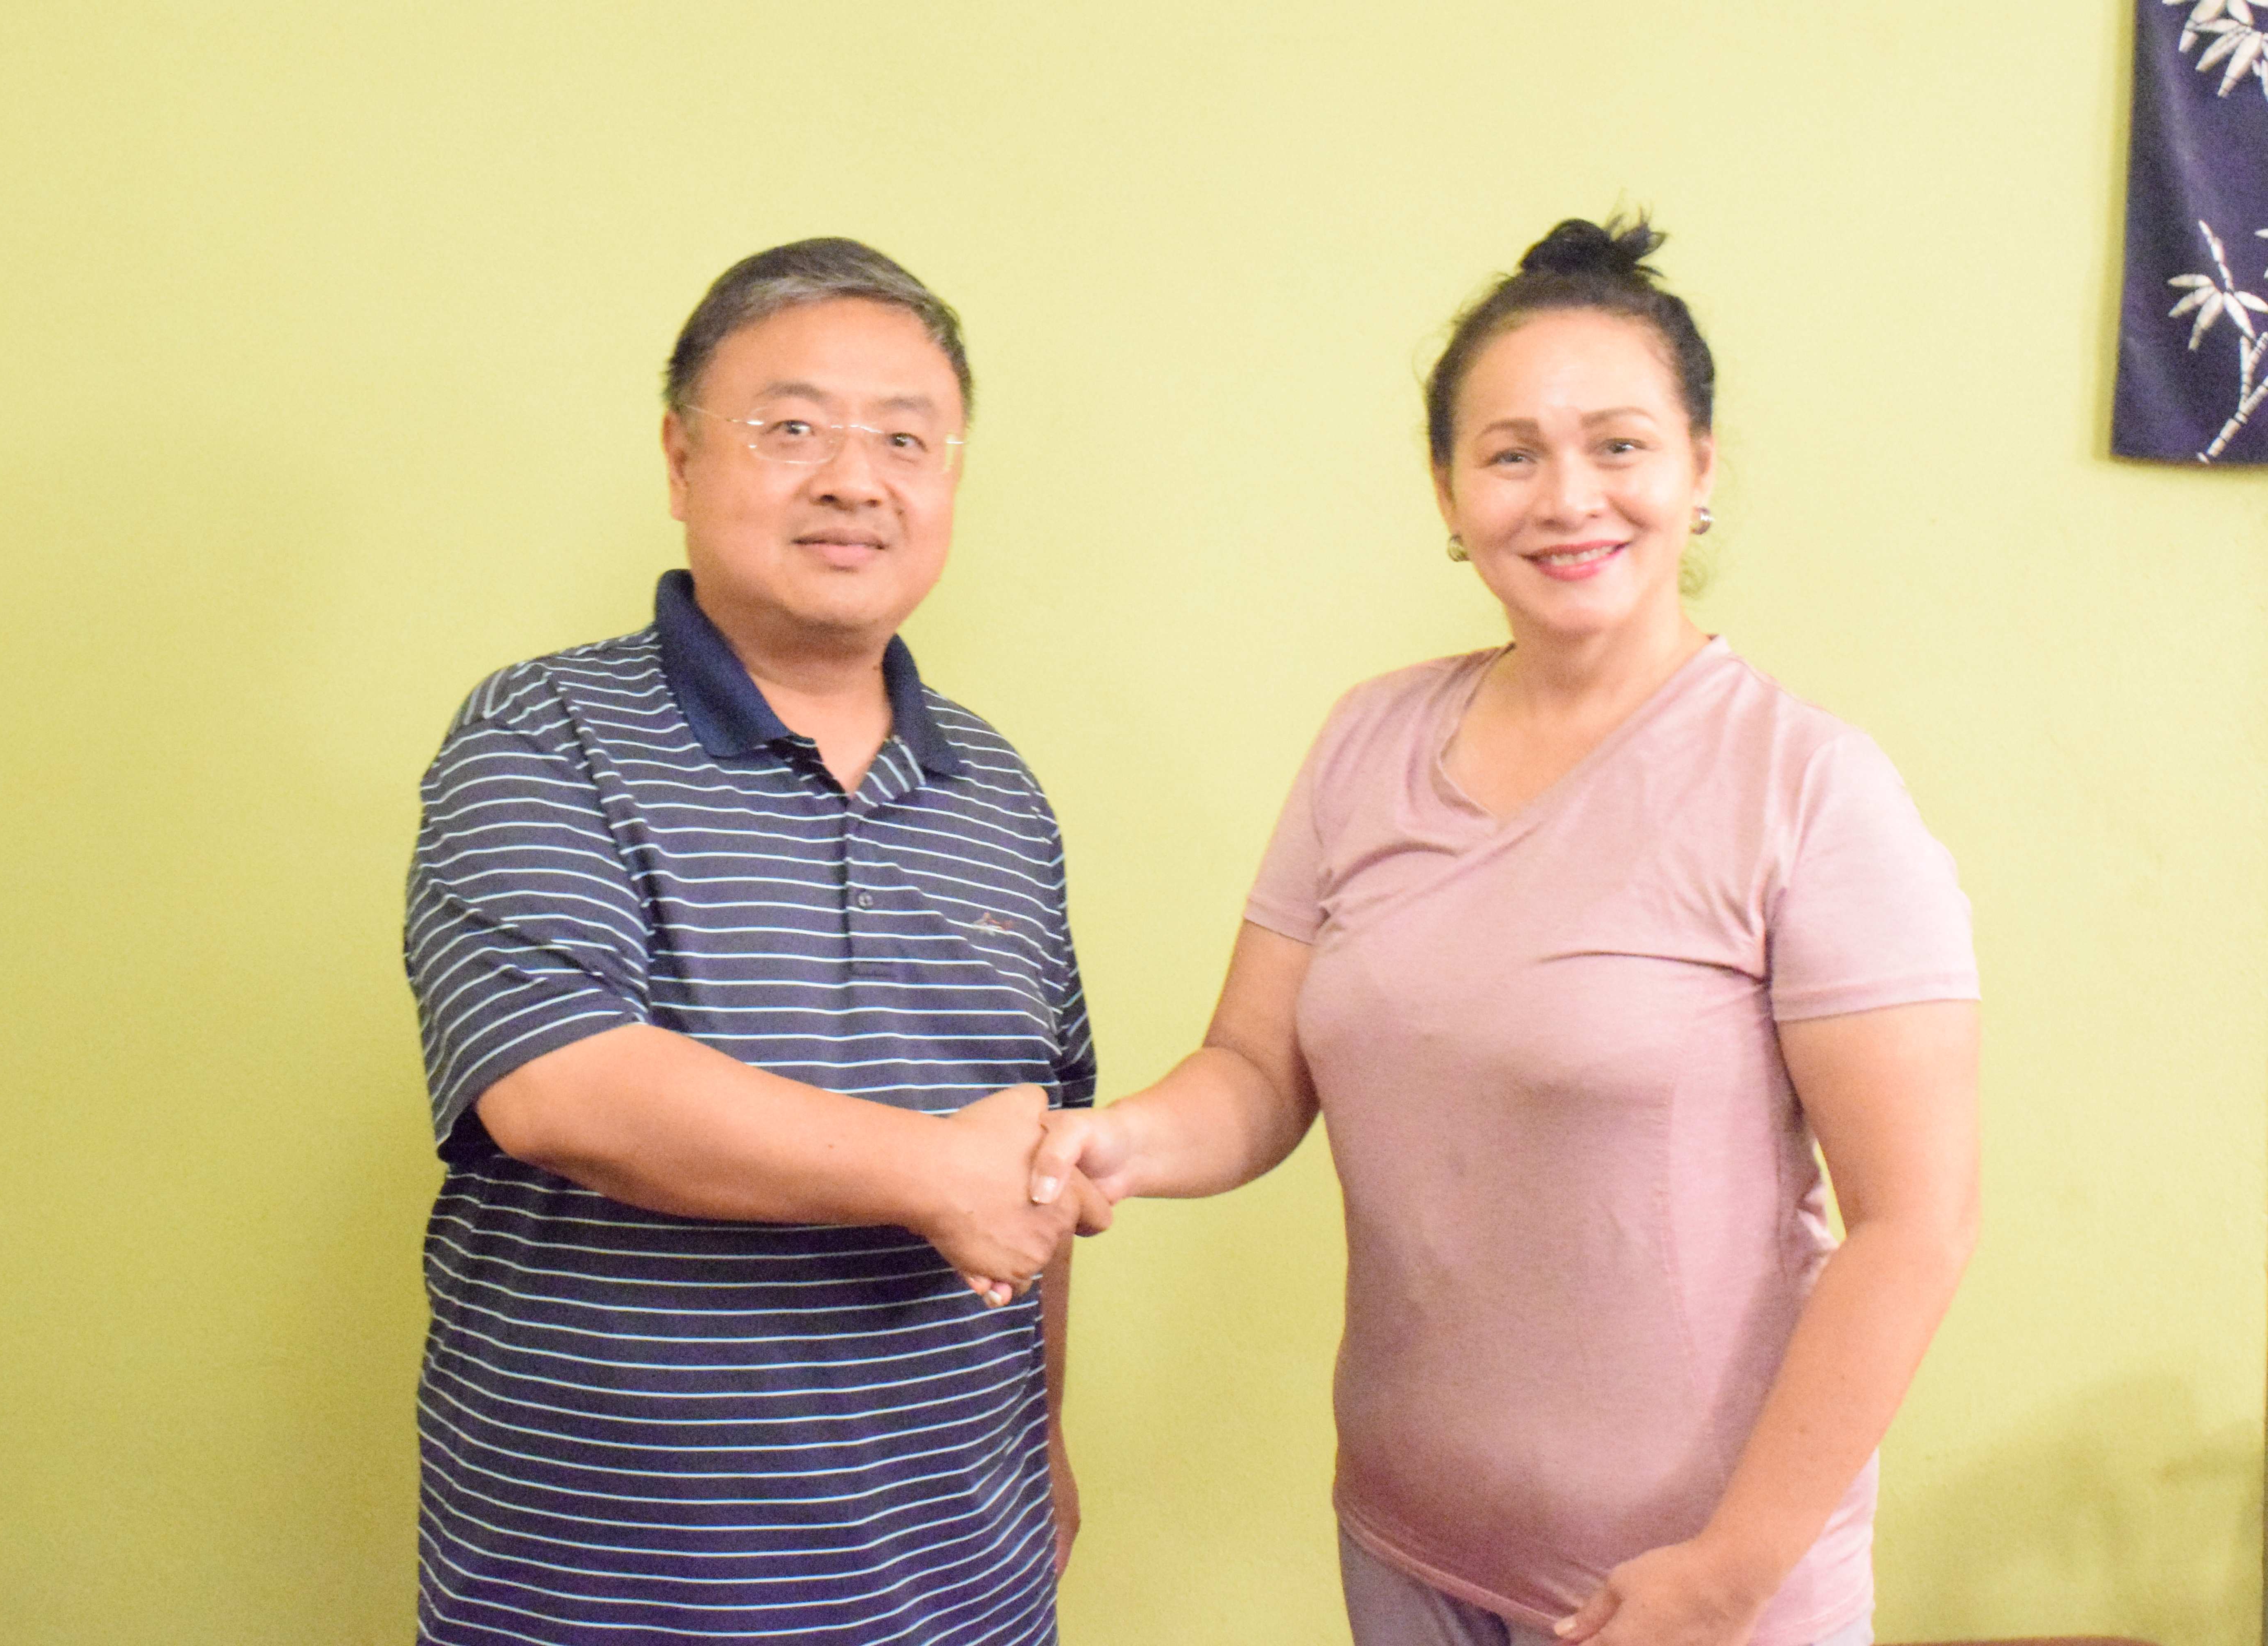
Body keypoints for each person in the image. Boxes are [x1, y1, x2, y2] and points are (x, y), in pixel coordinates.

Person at [1030, 215, 1979, 1646]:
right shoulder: (1367, 742)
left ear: (1700, 469)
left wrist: (1732, 1571)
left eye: (1619, 446)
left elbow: (1915, 1223)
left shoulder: (1810, 787)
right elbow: (1257, 1068)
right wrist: (1119, 1145)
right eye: (1513, 454)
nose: (1568, 498)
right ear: (1449, 490)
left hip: (1692, 1592)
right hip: (1404, 1544)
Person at [403, 237, 1107, 1645]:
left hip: (959, 1585)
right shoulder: (540, 736)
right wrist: (933, 1173)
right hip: (606, 1591)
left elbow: (1035, 1159)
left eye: (905, 438)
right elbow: (560, 1088)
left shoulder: (1001, 793)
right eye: (792, 429)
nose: (855, 479)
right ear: (680, 461)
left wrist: (1043, 1441)